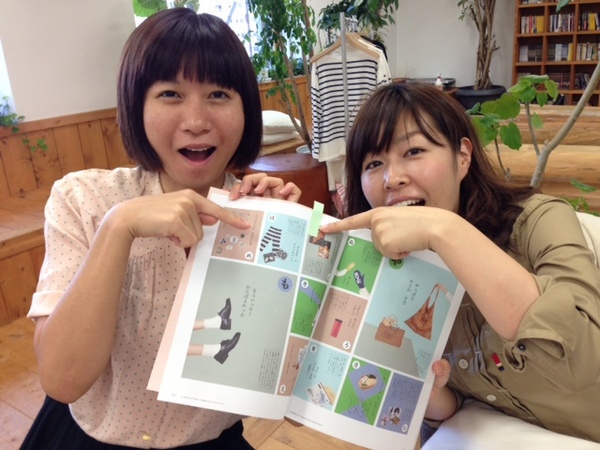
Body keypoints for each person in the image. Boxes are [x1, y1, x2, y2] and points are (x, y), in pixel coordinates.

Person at [22, 9, 301, 450]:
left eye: (219, 94)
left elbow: (293, 403)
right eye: (170, 94)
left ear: (246, 108)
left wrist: (291, 254)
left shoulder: (265, 216)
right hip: (88, 438)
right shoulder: (84, 199)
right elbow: (62, 379)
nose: (196, 120)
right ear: (137, 106)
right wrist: (119, 226)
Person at [320, 83, 600, 443]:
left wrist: (445, 230)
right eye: (374, 164)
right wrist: (430, 393)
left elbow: (586, 360)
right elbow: (454, 408)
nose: (392, 178)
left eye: (414, 151)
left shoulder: (539, 221)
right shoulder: (390, 273)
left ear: (463, 156)